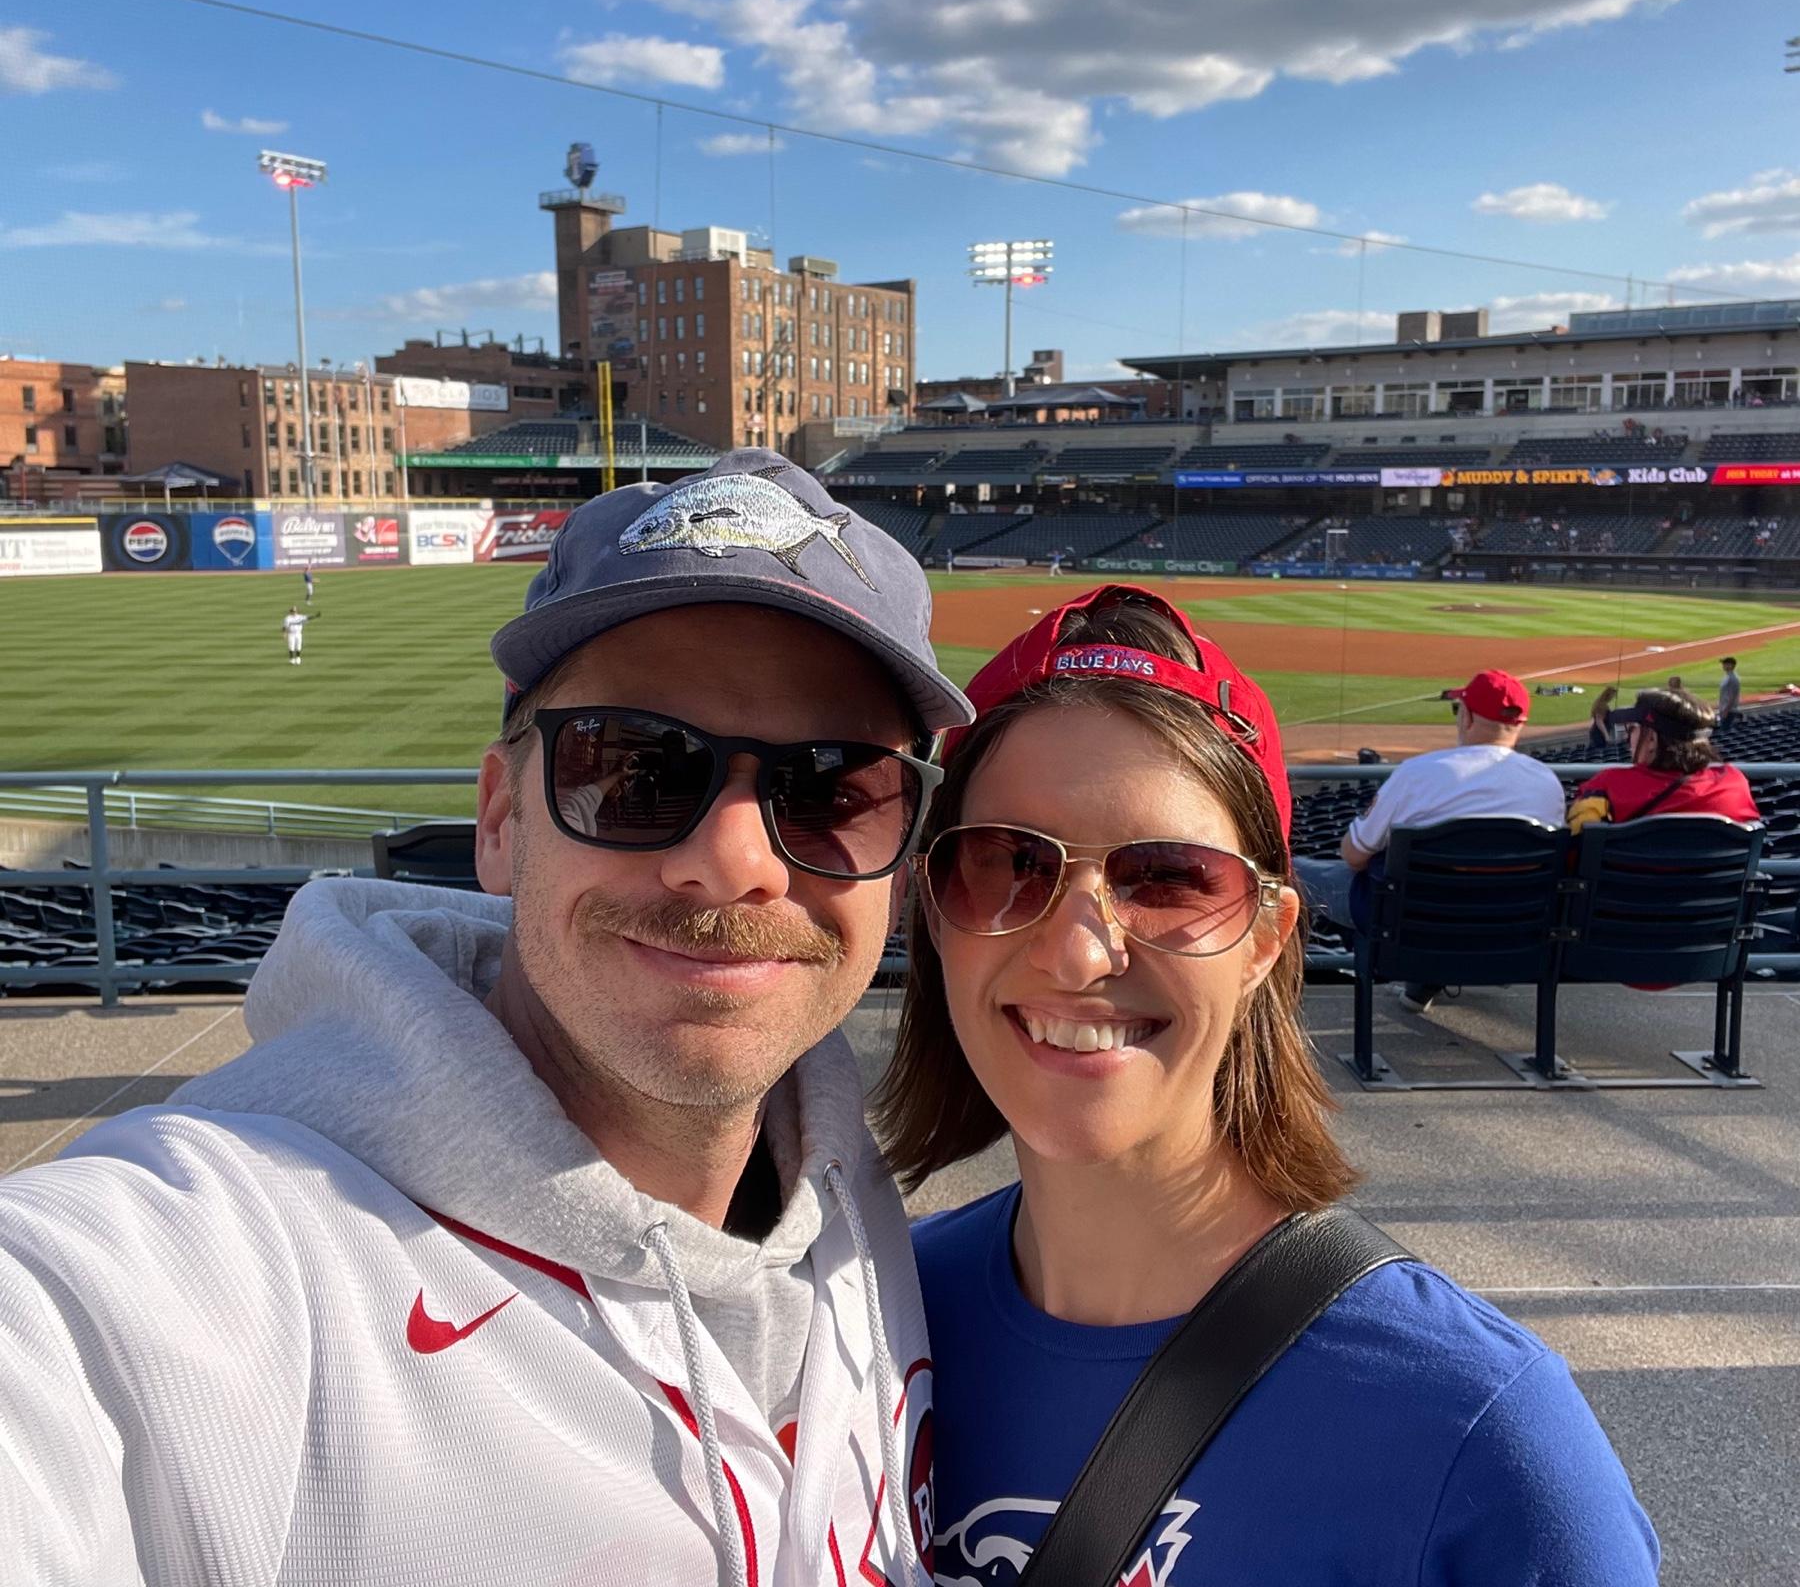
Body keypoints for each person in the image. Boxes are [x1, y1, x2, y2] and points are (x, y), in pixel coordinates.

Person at [0, 451, 967, 1585]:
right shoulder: (184, 1281)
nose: (735, 862)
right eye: (637, 768)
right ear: (500, 823)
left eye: (832, 788)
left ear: (899, 865)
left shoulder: (855, 1205)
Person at [877, 585, 1658, 1583]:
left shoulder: (1482, 1436)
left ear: (1266, 940)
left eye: (1166, 876)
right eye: (1007, 863)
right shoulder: (871, 1320)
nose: (1077, 953)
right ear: (935, 914)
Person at [1292, 668, 1565, 1012]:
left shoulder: (1418, 773)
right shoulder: (1548, 783)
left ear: (1465, 716)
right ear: (1520, 724)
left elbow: (1353, 856)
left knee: (1292, 871)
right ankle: (1421, 988)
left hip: (1410, 924)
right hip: (1512, 927)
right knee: (1455, 889)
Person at [1569, 687, 1759, 832]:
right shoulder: (1734, 784)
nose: (1628, 738)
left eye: (1633, 729)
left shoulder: (1606, 786)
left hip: (1628, 884)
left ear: (1651, 739)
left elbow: (1575, 854)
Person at [1587, 683, 1621, 757]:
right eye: (1613, 696)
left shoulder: (1602, 704)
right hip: (1599, 734)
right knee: (1599, 753)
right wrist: (1606, 736)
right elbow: (1599, 721)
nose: (1613, 698)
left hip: (1598, 732)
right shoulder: (1601, 705)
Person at [1717, 655, 1742, 732]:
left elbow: (1733, 697)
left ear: (1731, 665)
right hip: (1725, 709)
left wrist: (1726, 711)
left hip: (1729, 711)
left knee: (1725, 732)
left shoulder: (1733, 678)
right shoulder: (1728, 676)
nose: (1723, 665)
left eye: (1725, 663)